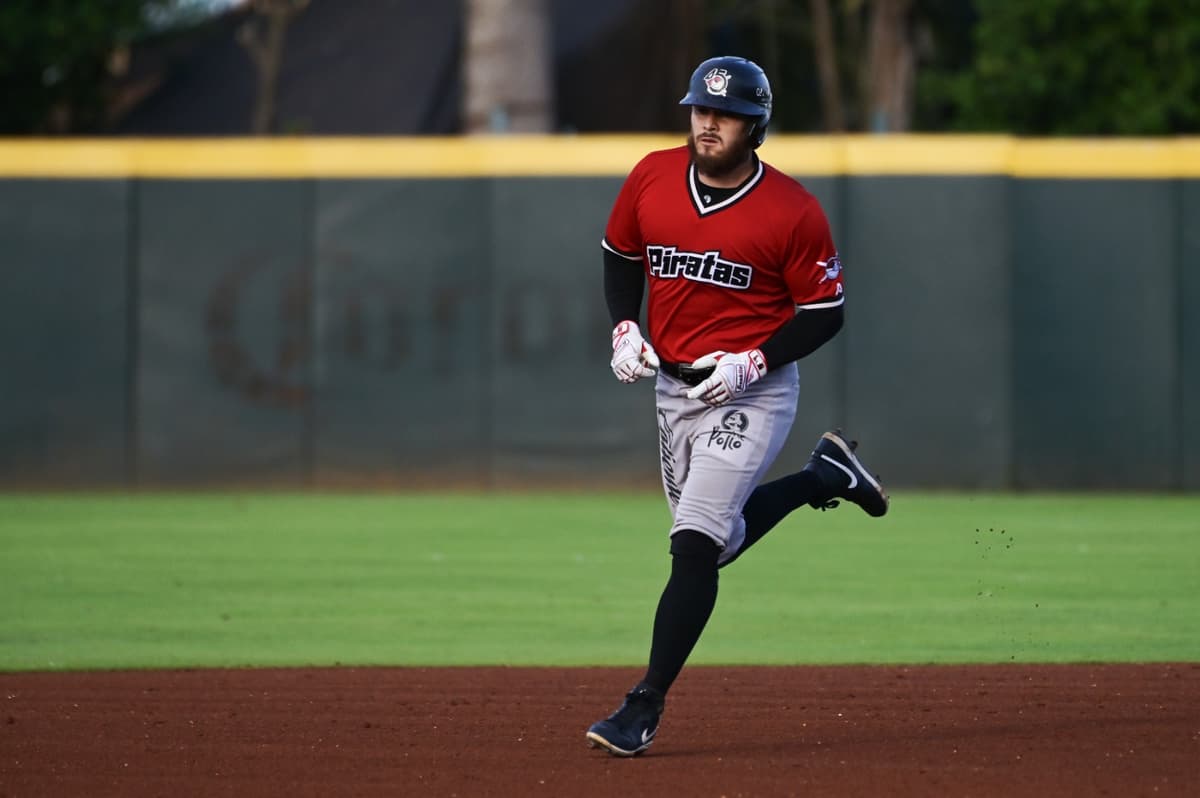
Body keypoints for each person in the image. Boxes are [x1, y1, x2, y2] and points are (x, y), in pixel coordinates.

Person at [586, 55, 890, 757]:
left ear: (756, 126)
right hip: (674, 387)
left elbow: (826, 312)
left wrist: (755, 359)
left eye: (724, 114)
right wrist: (624, 326)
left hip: (755, 390)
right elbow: (620, 255)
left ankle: (642, 706)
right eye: (700, 109)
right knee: (713, 546)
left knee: (692, 542)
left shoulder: (792, 209)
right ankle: (825, 476)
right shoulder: (653, 177)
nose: (707, 122)